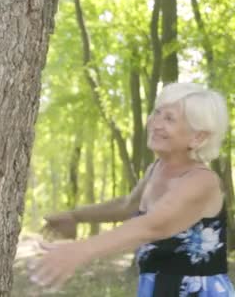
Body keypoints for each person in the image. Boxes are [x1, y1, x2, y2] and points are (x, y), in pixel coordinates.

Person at [32, 82, 235, 296]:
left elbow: (154, 225)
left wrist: (82, 250)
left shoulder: (202, 181)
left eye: (169, 119)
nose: (156, 123)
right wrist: (75, 216)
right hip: (155, 287)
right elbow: (129, 205)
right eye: (157, 113)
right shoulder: (156, 169)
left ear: (198, 137)